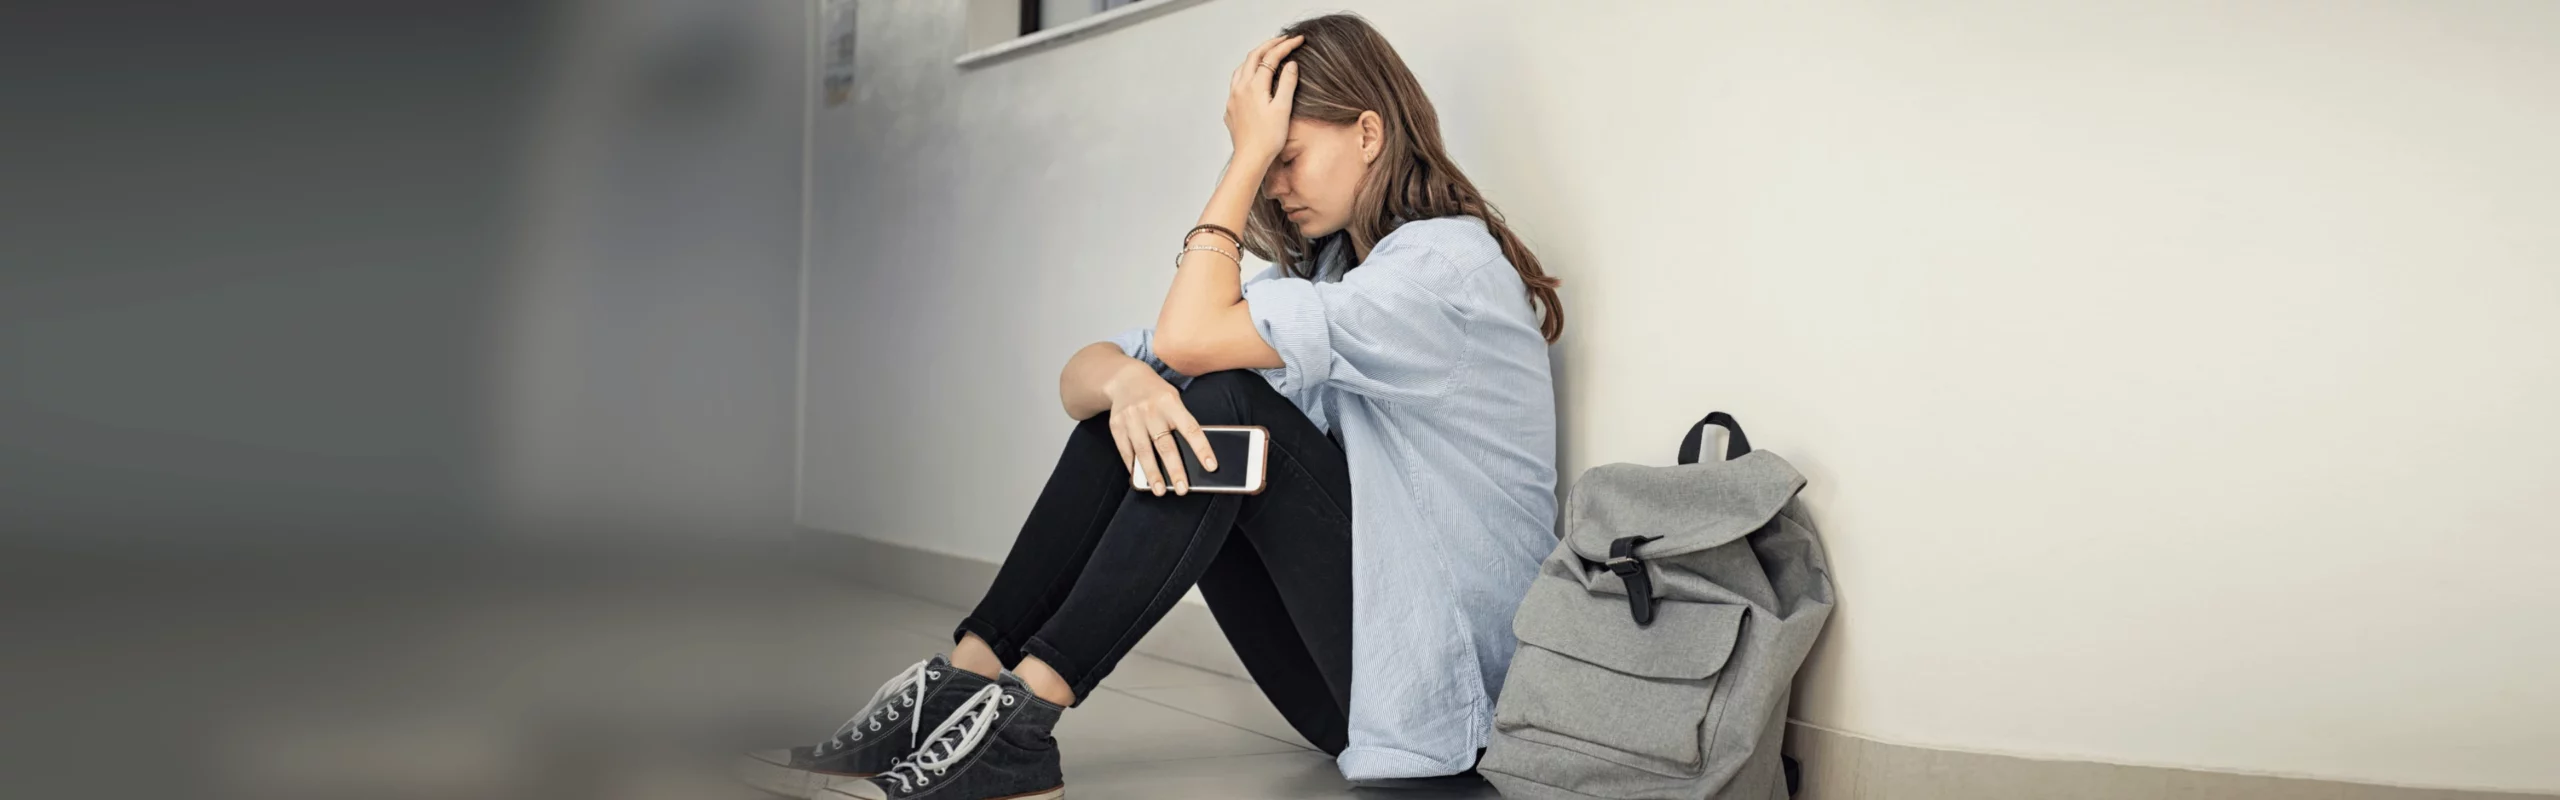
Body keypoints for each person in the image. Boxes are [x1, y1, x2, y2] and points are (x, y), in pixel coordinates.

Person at [743, 13, 1564, 800]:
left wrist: (1240, 164)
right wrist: (1128, 383)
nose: (1274, 191)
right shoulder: (1332, 278)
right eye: (1265, 168)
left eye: (1287, 158)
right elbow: (1083, 377)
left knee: (1220, 396)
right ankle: (966, 683)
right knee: (1144, 404)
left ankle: (1018, 727)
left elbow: (1194, 337)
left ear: (1369, 133)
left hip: (1450, 697)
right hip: (1358, 692)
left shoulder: (1444, 270)